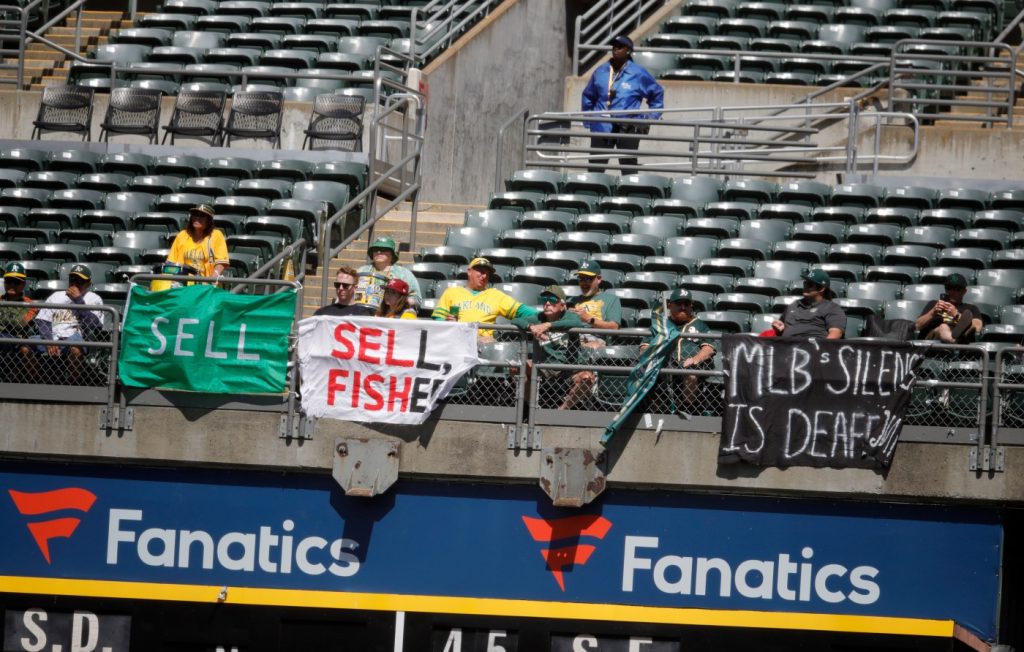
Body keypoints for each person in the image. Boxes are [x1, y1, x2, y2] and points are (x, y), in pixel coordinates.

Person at [580, 34, 664, 174]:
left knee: (629, 169)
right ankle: (595, 192)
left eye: (620, 47)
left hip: (628, 127)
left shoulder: (638, 73)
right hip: (602, 126)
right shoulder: (600, 71)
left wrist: (650, 117)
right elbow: (588, 95)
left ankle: (629, 193)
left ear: (628, 51)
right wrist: (590, 120)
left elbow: (657, 94)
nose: (615, 49)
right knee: (595, 168)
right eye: (614, 46)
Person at [561, 259, 623, 409]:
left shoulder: (611, 300)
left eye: (589, 278)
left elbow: (614, 327)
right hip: (571, 341)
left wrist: (588, 319)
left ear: (599, 279)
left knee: (594, 347)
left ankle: (563, 409)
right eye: (581, 279)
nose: (584, 282)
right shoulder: (571, 301)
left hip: (595, 342)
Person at [511, 285, 585, 408]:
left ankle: (562, 411)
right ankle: (533, 408)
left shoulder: (569, 316)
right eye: (544, 300)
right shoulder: (539, 317)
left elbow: (576, 323)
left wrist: (548, 325)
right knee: (516, 368)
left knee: (587, 378)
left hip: (569, 367)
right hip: (544, 366)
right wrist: (531, 327)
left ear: (562, 305)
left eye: (552, 300)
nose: (547, 303)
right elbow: (516, 320)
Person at [30, 264, 104, 384]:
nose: (75, 283)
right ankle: (33, 382)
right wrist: (48, 341)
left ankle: (72, 384)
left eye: (80, 281)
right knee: (25, 347)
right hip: (51, 337)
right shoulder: (56, 296)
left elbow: (93, 324)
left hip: (75, 338)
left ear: (88, 283)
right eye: (73, 279)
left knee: (75, 349)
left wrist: (78, 300)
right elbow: (42, 320)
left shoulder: (93, 298)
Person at [431, 257, 537, 339]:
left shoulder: (496, 295)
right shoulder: (452, 292)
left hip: (482, 342)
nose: (484, 276)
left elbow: (525, 311)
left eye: (487, 273)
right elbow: (437, 319)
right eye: (481, 271)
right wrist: (447, 323)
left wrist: (545, 318)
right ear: (469, 271)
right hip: (455, 339)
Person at [648, 288, 717, 408]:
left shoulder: (699, 324)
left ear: (691, 306)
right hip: (663, 364)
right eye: (679, 303)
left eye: (687, 304)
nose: (683, 307)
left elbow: (709, 348)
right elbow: (645, 346)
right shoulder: (661, 325)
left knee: (691, 373)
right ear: (670, 305)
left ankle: (687, 409)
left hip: (688, 364)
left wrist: (695, 359)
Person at [772, 269, 846, 339]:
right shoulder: (793, 305)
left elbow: (836, 333)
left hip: (812, 348)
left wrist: (821, 349)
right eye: (805, 283)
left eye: (810, 284)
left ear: (821, 289)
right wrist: (779, 328)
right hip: (787, 348)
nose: (805, 286)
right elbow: (781, 328)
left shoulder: (831, 308)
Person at [355, 235, 422, 311]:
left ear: (392, 254)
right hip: (363, 313)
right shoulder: (361, 271)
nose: (379, 252)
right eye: (375, 249)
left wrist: (398, 301)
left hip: (393, 315)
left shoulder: (404, 274)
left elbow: (417, 299)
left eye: (383, 249)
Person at [166, 204, 230, 280]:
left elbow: (221, 263)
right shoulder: (182, 235)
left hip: (206, 283)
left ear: (209, 220)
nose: (197, 218)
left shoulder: (216, 235)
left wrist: (211, 280)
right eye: (195, 214)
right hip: (183, 282)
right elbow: (170, 263)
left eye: (202, 215)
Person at [915, 273, 983, 343]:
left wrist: (956, 315)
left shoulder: (970, 308)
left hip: (960, 335)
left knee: (961, 328)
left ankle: (956, 338)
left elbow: (977, 327)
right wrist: (932, 312)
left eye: (957, 289)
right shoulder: (934, 304)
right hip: (934, 342)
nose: (951, 292)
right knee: (943, 327)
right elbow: (917, 325)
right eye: (948, 288)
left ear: (964, 291)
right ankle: (955, 342)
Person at [0, 262, 37, 377]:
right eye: (9, 281)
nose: (12, 285)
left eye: (16, 282)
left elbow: (21, 324)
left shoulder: (29, 304)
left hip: (16, 340)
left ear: (23, 284)